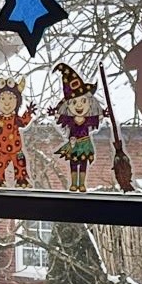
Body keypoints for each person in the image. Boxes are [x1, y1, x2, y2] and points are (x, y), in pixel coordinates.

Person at [52, 62, 102, 192]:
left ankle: (82, 184)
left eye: (83, 101)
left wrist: (103, 115)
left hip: (85, 144)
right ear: (68, 105)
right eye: (74, 102)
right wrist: (55, 114)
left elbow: (96, 119)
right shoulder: (70, 120)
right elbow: (61, 119)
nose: (79, 105)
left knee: (83, 163)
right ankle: (74, 183)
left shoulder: (88, 120)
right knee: (73, 164)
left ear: (90, 103)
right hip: (73, 145)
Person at [0, 75, 32, 187]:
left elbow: (23, 122)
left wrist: (29, 113)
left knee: (20, 163)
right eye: (2, 99)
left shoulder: (15, 119)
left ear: (17, 101)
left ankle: (21, 179)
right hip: (1, 149)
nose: (7, 103)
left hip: (16, 149)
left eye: (11, 98)